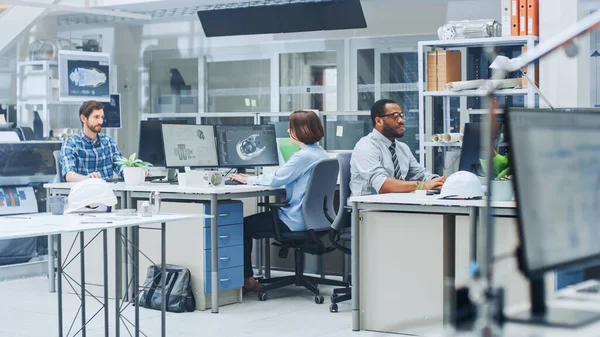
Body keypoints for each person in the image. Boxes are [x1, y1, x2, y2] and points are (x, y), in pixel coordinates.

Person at [228, 110, 329, 293]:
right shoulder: (321, 154)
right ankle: (247, 277)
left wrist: (247, 179)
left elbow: (276, 180)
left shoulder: (302, 156)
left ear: (298, 131)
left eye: (291, 128)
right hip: (315, 220)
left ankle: (248, 280)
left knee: (242, 226)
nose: (289, 131)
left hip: (294, 221)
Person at [350, 99, 446, 196]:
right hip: (368, 206)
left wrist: (438, 182)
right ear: (379, 121)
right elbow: (383, 185)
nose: (401, 120)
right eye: (395, 116)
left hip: (397, 203)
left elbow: (420, 174)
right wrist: (423, 186)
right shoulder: (366, 146)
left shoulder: (402, 148)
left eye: (401, 116)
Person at [60, 100, 124, 182]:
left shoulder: (109, 142)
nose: (100, 121)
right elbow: (68, 175)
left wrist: (135, 173)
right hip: (83, 191)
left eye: (102, 117)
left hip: (107, 192)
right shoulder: (71, 144)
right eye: (96, 117)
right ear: (83, 118)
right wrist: (87, 179)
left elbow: (121, 166)